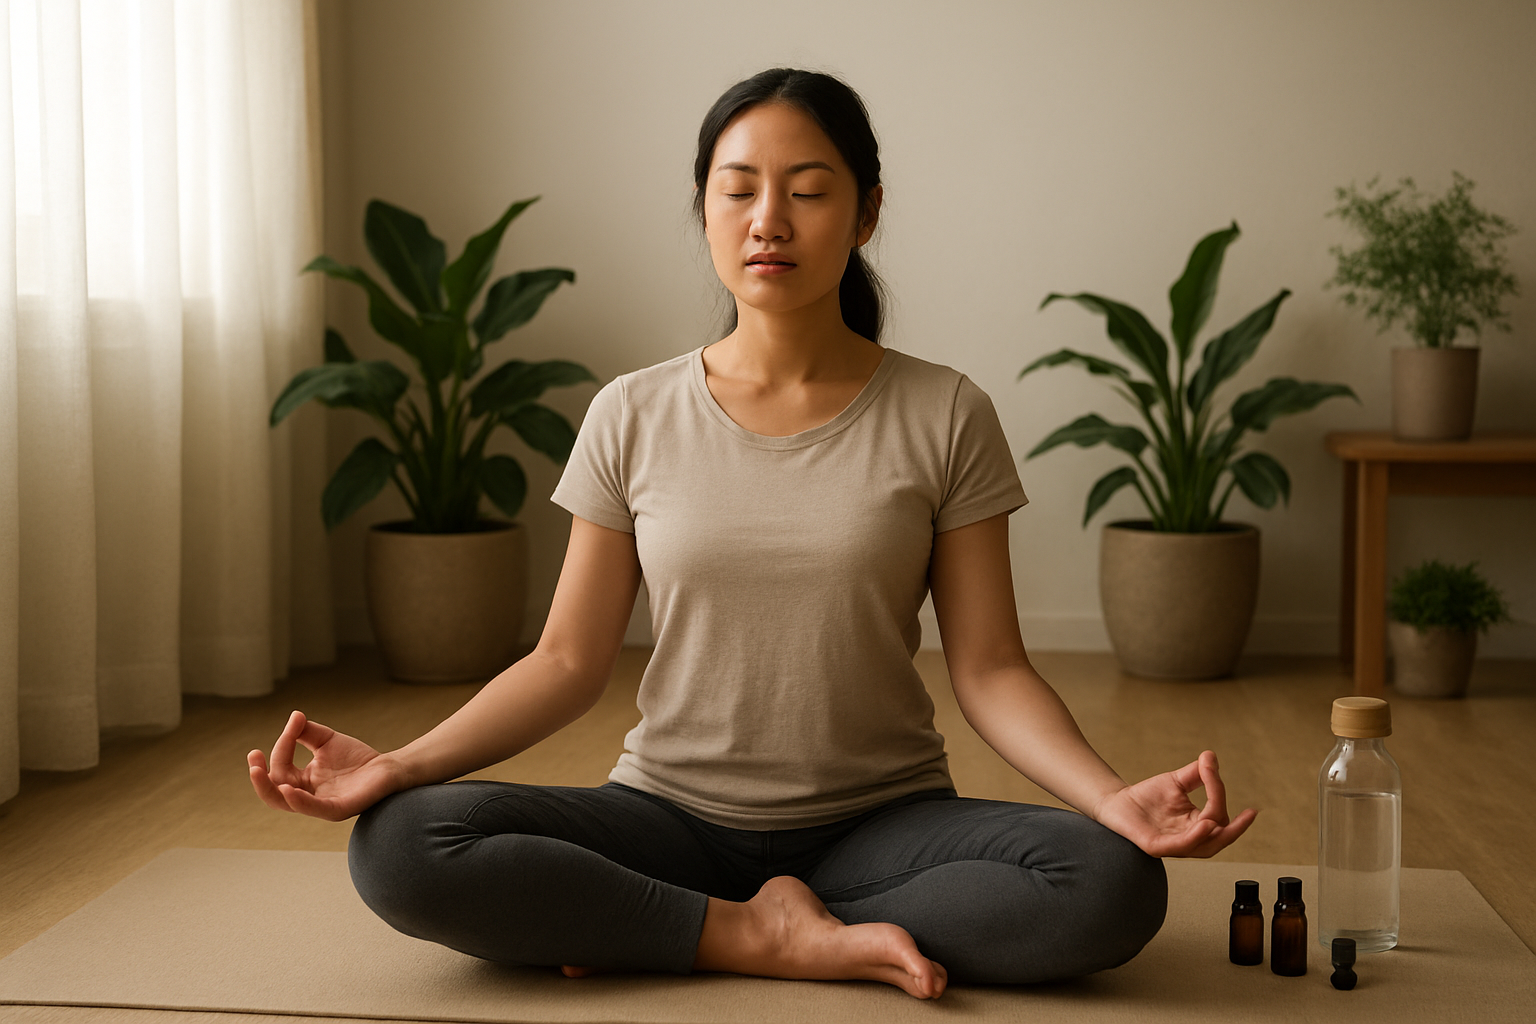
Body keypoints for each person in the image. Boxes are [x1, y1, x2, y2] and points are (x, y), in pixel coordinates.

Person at [247, 68, 1256, 1001]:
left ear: (865, 214)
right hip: (666, 820)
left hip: (882, 824)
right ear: (706, 211)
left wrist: (1113, 796)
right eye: (738, 189)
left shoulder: (945, 411)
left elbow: (990, 668)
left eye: (809, 189)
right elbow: (564, 660)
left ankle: (680, 931)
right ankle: (757, 935)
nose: (769, 219)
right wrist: (400, 765)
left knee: (1112, 882)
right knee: (401, 843)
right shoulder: (632, 413)